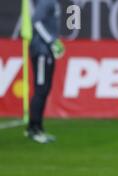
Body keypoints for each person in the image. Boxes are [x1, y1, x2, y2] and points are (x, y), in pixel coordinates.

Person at [25, 0, 65, 144]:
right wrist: (51, 41)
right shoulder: (46, 1)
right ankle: (34, 129)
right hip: (41, 50)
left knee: (45, 88)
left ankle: (37, 127)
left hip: (46, 51)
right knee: (41, 89)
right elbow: (36, 21)